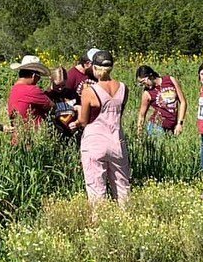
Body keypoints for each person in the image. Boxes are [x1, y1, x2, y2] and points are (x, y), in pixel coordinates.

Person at [70, 50, 130, 206]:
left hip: (95, 141)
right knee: (122, 186)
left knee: (96, 188)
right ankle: (125, 218)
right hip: (117, 141)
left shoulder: (89, 91)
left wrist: (75, 120)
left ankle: (99, 222)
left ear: (95, 69)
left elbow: (83, 121)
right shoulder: (123, 88)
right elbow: (118, 113)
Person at [135, 65, 187, 137]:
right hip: (156, 127)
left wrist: (180, 123)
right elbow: (141, 114)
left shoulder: (170, 80)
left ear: (151, 76)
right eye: (141, 84)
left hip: (172, 127)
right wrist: (139, 133)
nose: (144, 85)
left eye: (144, 82)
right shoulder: (147, 93)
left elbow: (183, 102)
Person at [7, 55, 53, 127]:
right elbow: (52, 107)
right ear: (33, 76)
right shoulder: (32, 90)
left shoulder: (14, 89)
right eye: (39, 76)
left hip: (18, 134)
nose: (38, 80)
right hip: (33, 135)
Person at [46, 66, 78, 139]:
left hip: (72, 133)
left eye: (63, 85)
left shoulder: (71, 94)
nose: (60, 88)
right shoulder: (47, 95)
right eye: (57, 85)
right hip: (55, 135)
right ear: (51, 80)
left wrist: (77, 123)